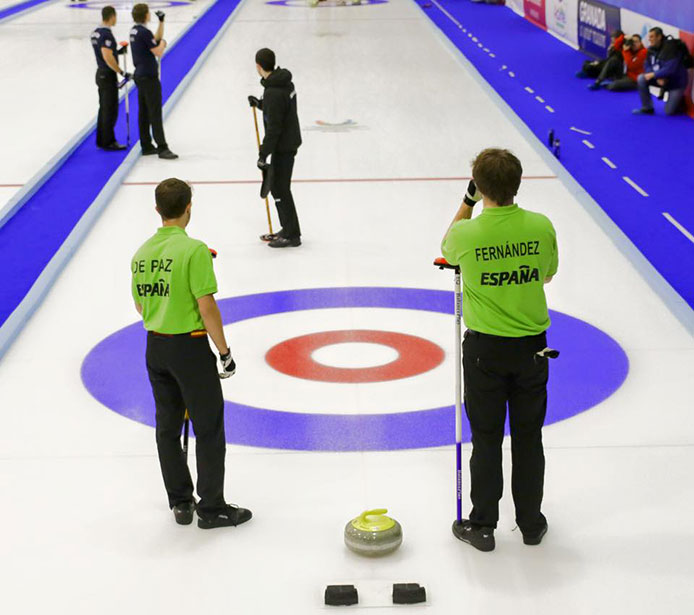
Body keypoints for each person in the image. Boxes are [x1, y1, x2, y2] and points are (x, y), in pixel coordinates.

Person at [440, 149, 559, 552]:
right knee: (529, 436)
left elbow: (447, 248)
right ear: (518, 184)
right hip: (532, 350)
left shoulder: (467, 234)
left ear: (480, 185)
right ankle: (530, 522)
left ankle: (484, 525)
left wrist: (468, 201)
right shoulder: (541, 227)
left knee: (486, 438)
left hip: (485, 352)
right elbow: (546, 273)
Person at [131, 177, 251, 529]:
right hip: (190, 348)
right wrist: (224, 351)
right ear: (188, 209)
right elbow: (207, 305)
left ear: (157, 210)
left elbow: (140, 305)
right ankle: (212, 507)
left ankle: (181, 501)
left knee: (167, 425)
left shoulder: (141, 255)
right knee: (208, 425)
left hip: (156, 347)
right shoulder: (194, 251)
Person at [248, 48, 302, 248]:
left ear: (259, 66)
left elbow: (274, 129)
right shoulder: (284, 83)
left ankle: (291, 235)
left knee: (279, 189)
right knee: (281, 187)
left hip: (283, 145)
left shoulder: (272, 91)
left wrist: (263, 153)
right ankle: (288, 229)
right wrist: (261, 104)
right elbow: (280, 109)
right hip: (289, 141)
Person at [130, 3, 177, 158]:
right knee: (155, 112)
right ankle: (162, 147)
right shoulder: (143, 32)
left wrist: (161, 22)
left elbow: (153, 39)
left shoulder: (136, 31)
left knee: (144, 112)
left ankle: (146, 145)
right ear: (145, 15)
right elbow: (158, 50)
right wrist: (163, 43)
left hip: (140, 75)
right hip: (149, 78)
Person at [91, 5, 130, 150]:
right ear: (112, 16)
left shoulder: (95, 33)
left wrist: (118, 52)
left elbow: (105, 53)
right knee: (110, 109)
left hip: (100, 72)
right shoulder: (106, 34)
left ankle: (101, 140)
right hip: (107, 74)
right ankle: (109, 141)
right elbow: (107, 56)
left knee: (103, 108)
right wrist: (121, 72)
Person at [633, 27, 690, 116]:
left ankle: (679, 101)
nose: (649, 39)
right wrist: (657, 76)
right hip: (661, 79)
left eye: (652, 37)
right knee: (641, 78)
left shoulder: (671, 48)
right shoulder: (651, 49)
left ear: (659, 37)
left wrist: (655, 75)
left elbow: (670, 69)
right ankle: (647, 107)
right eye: (649, 37)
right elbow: (647, 65)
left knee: (669, 112)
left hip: (676, 82)